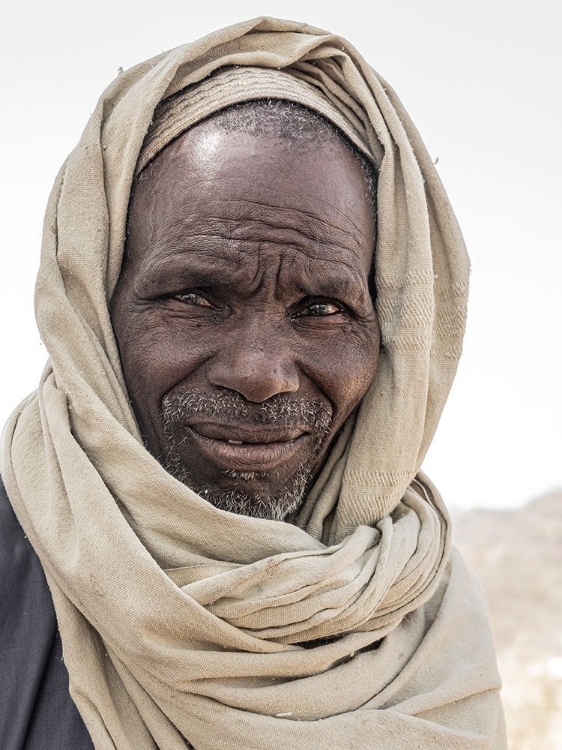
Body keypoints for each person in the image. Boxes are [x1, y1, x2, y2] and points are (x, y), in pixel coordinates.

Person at [0, 17, 507, 750]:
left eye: (322, 308)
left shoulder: (423, 619)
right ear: (94, 313)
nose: (259, 373)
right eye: (196, 297)